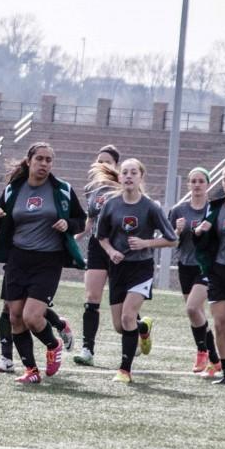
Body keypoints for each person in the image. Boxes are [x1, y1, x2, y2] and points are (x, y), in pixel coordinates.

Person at [0, 142, 86, 384]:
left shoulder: (62, 190)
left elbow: (80, 220)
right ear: (29, 161)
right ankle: (31, 370)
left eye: (49, 160)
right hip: (17, 259)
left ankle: (53, 344)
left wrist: (67, 225)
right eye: (40, 158)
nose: (44, 164)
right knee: (15, 316)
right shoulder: (13, 189)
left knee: (32, 317)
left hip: (48, 261)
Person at [96, 158, 177, 383]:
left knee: (127, 316)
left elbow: (172, 239)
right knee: (120, 326)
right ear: (120, 177)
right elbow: (101, 237)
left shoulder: (150, 207)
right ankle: (144, 327)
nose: (129, 176)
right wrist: (111, 251)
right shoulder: (111, 205)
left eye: (134, 172)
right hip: (118, 268)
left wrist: (146, 243)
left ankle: (124, 370)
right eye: (125, 173)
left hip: (141, 268)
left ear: (141, 177)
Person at [168, 167, 221, 376]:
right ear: (188, 184)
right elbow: (171, 241)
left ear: (208, 185)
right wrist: (177, 231)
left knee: (192, 308)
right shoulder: (178, 211)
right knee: (196, 314)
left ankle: (202, 351)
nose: (197, 185)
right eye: (194, 181)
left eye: (201, 181)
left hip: (206, 267)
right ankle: (215, 360)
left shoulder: (214, 209)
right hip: (185, 265)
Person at [73, 145, 122, 366]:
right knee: (92, 297)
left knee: (121, 304)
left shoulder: (123, 186)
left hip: (119, 248)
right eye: (99, 161)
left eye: (107, 162)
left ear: (116, 165)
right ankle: (87, 350)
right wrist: (76, 236)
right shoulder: (91, 188)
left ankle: (141, 329)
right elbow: (90, 220)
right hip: (96, 246)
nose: (102, 165)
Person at [193, 163, 225, 385]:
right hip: (218, 272)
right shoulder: (215, 206)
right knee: (219, 325)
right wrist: (198, 231)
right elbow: (202, 236)